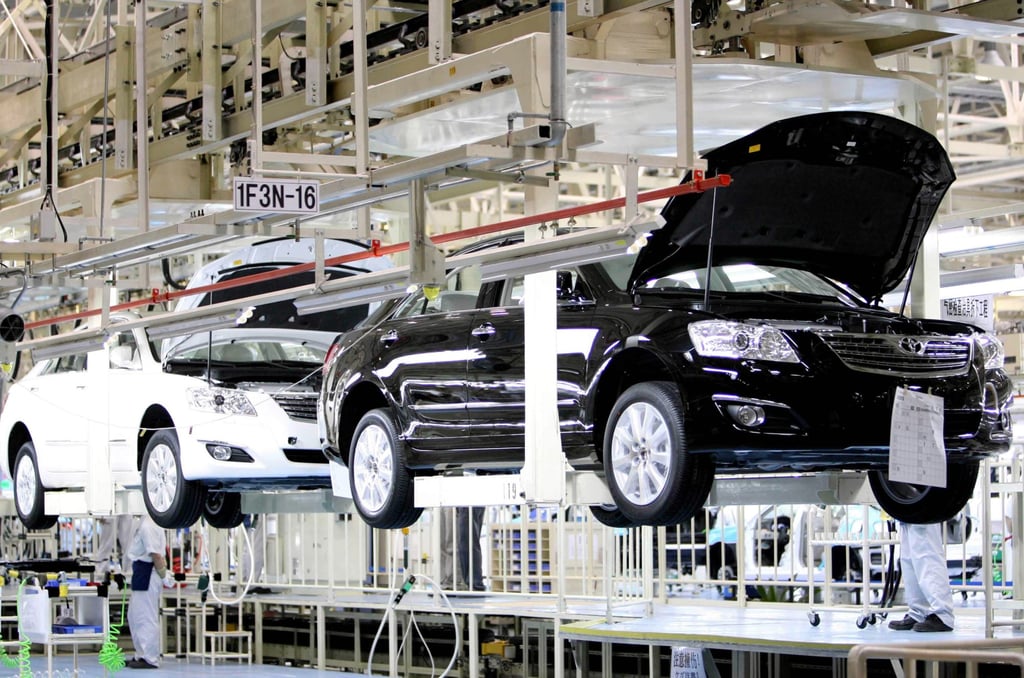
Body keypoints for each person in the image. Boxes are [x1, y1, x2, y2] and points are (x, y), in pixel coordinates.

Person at [888, 521, 954, 632]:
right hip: (906, 515)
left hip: (924, 514)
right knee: (909, 559)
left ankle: (943, 615)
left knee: (927, 556)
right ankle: (918, 612)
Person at [126, 515, 172, 668]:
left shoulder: (149, 525)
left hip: (148, 574)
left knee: (146, 618)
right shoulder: (145, 522)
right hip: (141, 572)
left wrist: (164, 576)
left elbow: (156, 555)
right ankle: (141, 654)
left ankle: (150, 658)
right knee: (135, 616)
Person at [439, 506, 485, 591]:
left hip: (458, 503)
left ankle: (456, 582)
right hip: (442, 501)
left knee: (454, 543)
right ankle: (445, 582)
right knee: (442, 544)